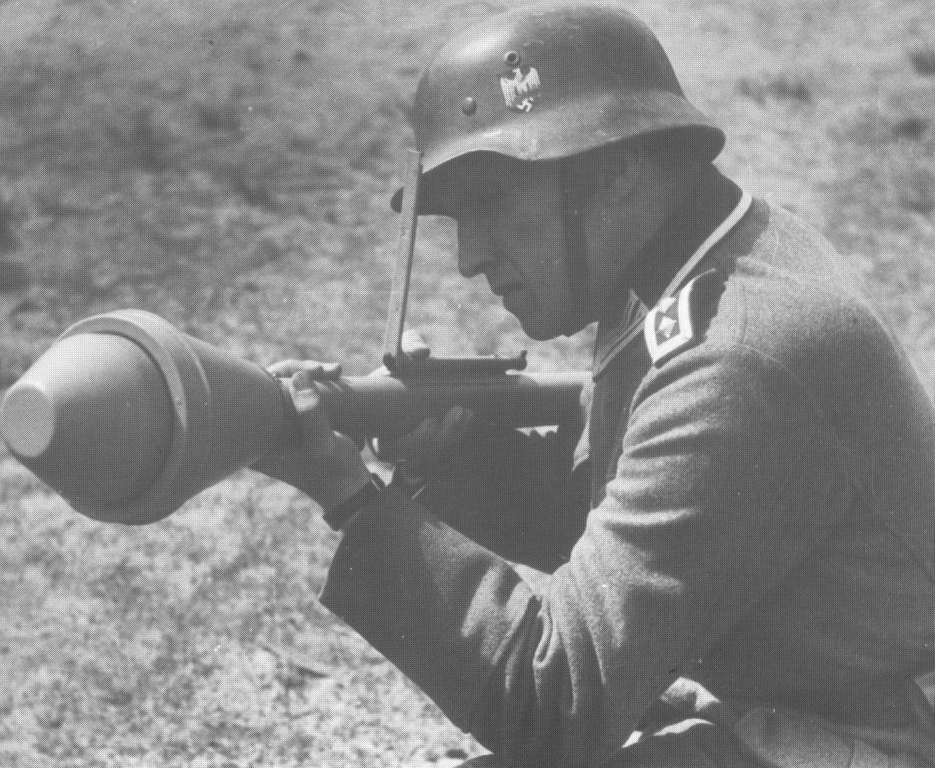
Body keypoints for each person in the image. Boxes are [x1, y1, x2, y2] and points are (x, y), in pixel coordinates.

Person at [255, 3, 935, 766]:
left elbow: (554, 707)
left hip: (881, 737)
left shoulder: (736, 357)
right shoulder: (693, 267)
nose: (468, 257)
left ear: (614, 170)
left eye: (492, 201)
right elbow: (620, 512)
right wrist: (444, 454)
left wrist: (349, 495)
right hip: (807, 705)